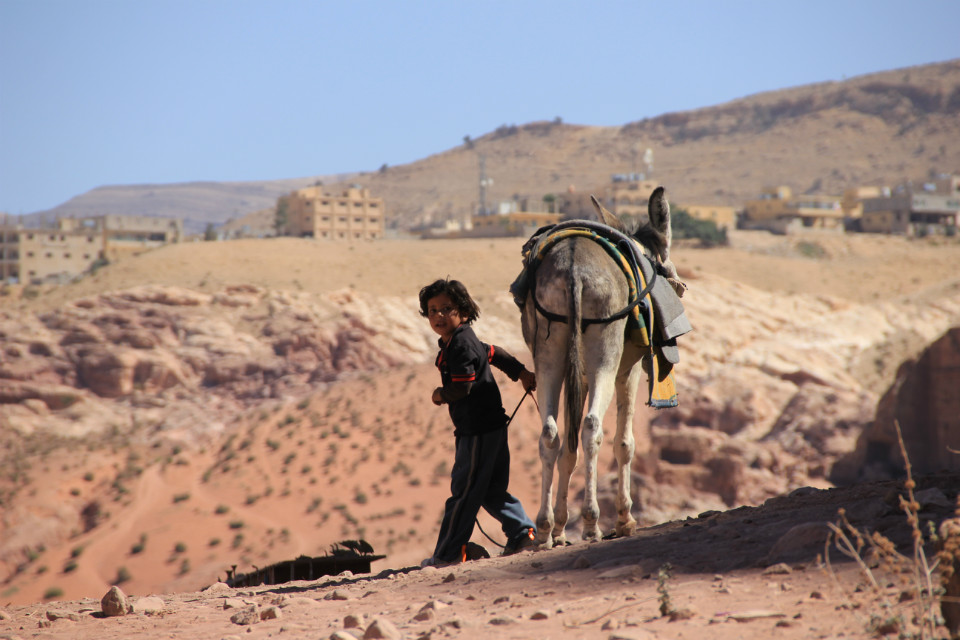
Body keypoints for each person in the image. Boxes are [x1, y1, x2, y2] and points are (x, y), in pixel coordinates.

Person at [418, 277, 538, 567]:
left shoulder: (460, 345)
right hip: (493, 427)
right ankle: (524, 534)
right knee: (491, 491)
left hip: (477, 432)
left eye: (446, 308)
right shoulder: (464, 339)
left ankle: (448, 555)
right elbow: (494, 352)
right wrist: (521, 373)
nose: (438, 316)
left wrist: (439, 395)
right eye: (432, 310)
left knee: (463, 494)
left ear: (464, 310)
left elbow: (463, 387)